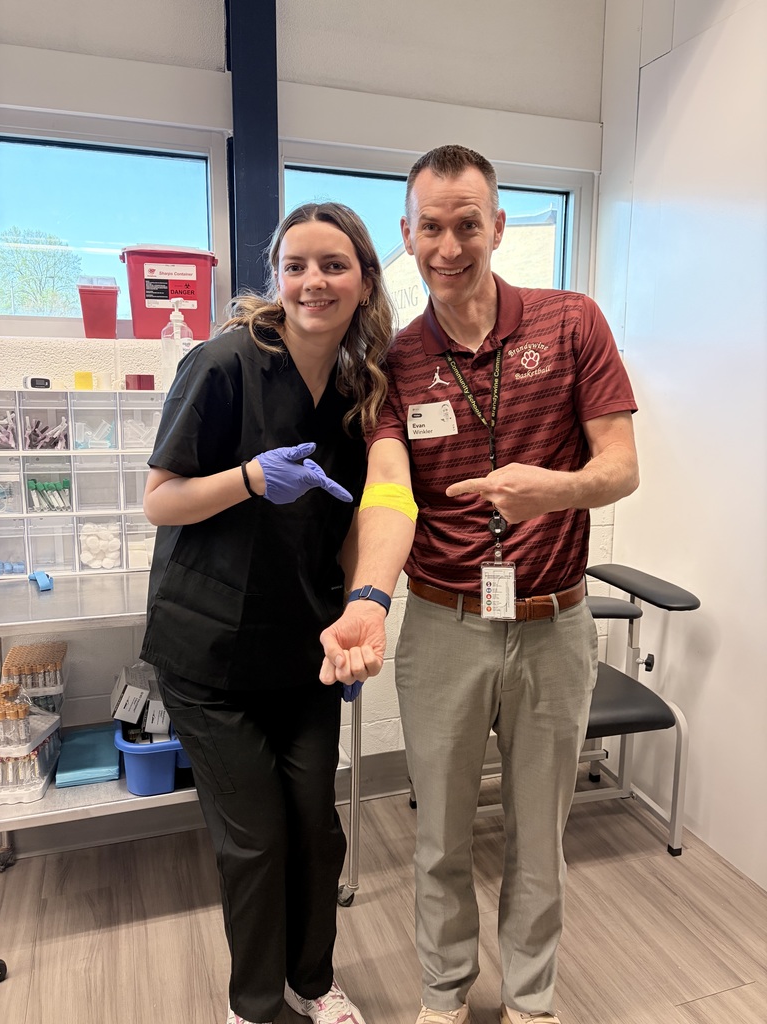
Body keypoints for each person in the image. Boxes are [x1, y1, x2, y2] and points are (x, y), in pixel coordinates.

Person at [319, 145, 639, 1024]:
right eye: (432, 227)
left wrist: (558, 489)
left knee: (540, 839)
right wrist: (366, 599)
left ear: (498, 228)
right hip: (446, 626)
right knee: (440, 839)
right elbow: (389, 492)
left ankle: (533, 1003)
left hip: (554, 623)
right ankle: (444, 999)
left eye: (469, 224)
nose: (450, 245)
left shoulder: (572, 323)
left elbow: (621, 466)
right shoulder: (394, 359)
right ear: (408, 234)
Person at [140, 201, 395, 1024]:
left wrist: (362, 605)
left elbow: (357, 520)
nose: (313, 282)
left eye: (333, 266)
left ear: (363, 281)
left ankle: (313, 984)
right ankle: (253, 1006)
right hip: (209, 653)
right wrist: (248, 479)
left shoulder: (360, 391)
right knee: (255, 839)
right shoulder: (222, 365)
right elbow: (160, 502)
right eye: (296, 266)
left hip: (304, 648)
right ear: (276, 277)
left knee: (316, 833)